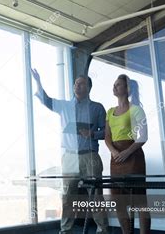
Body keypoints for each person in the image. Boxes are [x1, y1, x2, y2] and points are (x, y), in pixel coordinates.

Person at [31, 68, 109, 234]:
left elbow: (107, 133)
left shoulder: (97, 108)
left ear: (88, 88)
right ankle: (65, 231)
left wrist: (93, 133)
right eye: (75, 84)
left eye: (81, 84)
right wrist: (38, 82)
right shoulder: (64, 105)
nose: (77, 87)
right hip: (69, 157)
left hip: (90, 157)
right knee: (67, 197)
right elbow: (46, 100)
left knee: (96, 196)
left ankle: (103, 230)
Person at [105, 74, 150, 234]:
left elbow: (143, 136)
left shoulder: (136, 110)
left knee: (139, 201)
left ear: (126, 88)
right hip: (115, 159)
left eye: (118, 85)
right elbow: (107, 137)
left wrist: (127, 152)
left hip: (133, 157)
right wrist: (114, 152)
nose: (114, 87)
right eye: (114, 84)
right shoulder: (110, 112)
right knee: (118, 200)